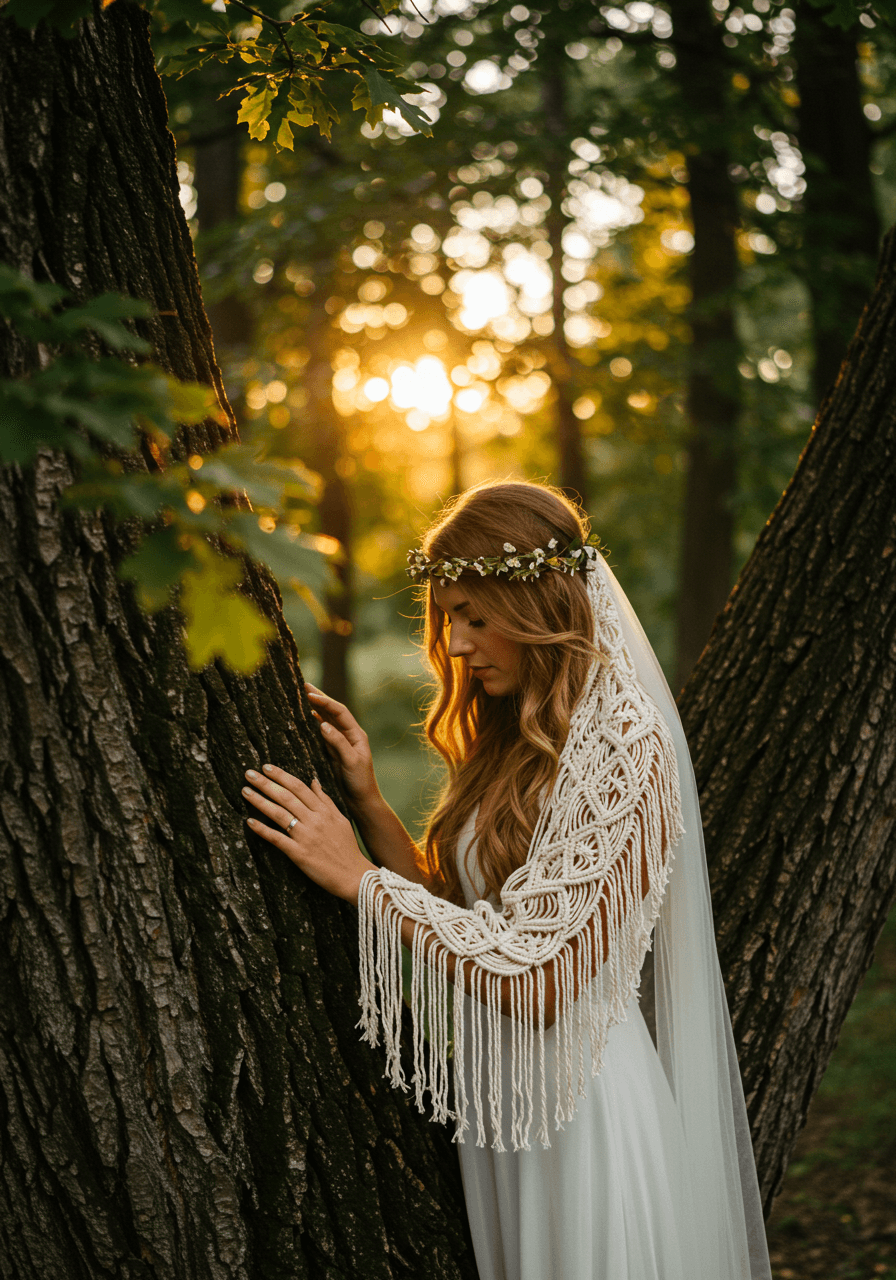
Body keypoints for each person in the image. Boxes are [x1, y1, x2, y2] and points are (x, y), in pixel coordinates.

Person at [242, 480, 772, 1280]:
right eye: (448, 619)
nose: (454, 646)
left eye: (475, 617)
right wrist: (369, 805)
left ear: (543, 603)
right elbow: (467, 917)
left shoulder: (626, 745)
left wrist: (360, 881)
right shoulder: (518, 739)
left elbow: (546, 978)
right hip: (506, 1116)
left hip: (581, 1119)